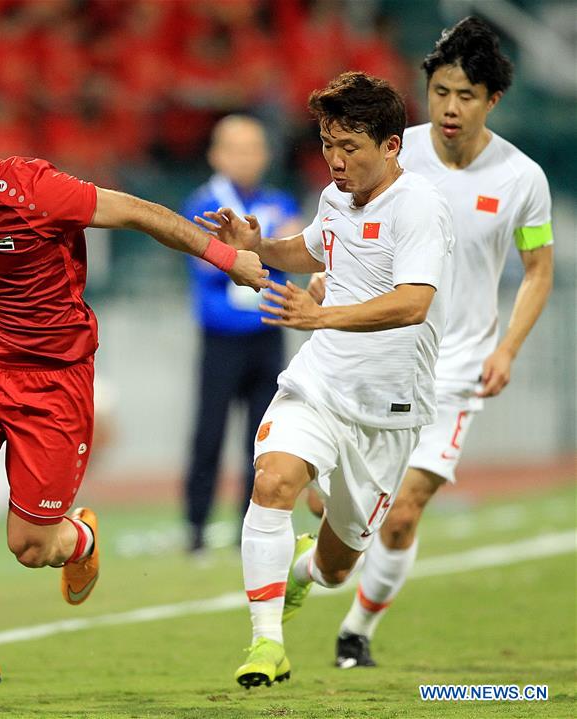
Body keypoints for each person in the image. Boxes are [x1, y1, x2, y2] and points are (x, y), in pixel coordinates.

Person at [0, 106, 266, 710]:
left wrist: (229, 261)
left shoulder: (38, 190)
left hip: (53, 385)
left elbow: (142, 213)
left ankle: (79, 541)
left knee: (30, 547)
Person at [196, 72, 455, 688]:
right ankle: (266, 645)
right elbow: (313, 250)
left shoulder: (419, 204)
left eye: (350, 148)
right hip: (321, 383)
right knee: (273, 477)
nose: (335, 161)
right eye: (327, 145)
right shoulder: (335, 198)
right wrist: (258, 245)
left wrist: (320, 315)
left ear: (391, 146)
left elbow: (414, 302)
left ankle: (303, 574)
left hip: (388, 411)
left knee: (340, 567)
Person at [326, 17, 554, 669]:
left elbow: (537, 269)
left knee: (400, 515)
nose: (450, 107)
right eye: (440, 91)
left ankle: (355, 632)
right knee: (339, 518)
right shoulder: (396, 155)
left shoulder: (521, 180)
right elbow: (347, 225)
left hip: (452, 370)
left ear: (491, 101)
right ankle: (313, 568)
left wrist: (506, 346)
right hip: (374, 354)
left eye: (465, 95)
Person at [183, 115, 302, 554]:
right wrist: (266, 244)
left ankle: (248, 526)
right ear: (217, 155)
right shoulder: (205, 202)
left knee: (263, 434)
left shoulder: (276, 199)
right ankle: (195, 527)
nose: (247, 158)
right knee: (209, 432)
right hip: (221, 337)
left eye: (254, 148)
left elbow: (300, 246)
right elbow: (204, 260)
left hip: (267, 332)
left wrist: (246, 246)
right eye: (237, 149)